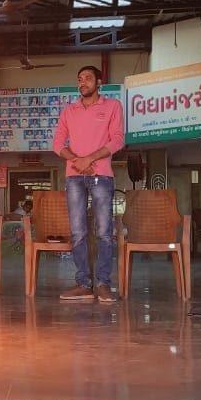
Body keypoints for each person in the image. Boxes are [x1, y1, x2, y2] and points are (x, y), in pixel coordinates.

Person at [52, 65, 125, 302]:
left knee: (104, 232)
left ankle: (103, 284)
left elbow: (117, 140)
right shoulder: (69, 111)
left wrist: (90, 159)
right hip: (74, 176)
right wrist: (77, 160)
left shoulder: (112, 106)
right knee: (78, 232)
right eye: (79, 79)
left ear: (99, 82)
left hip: (102, 174)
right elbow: (57, 144)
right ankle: (83, 283)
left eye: (88, 78)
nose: (83, 82)